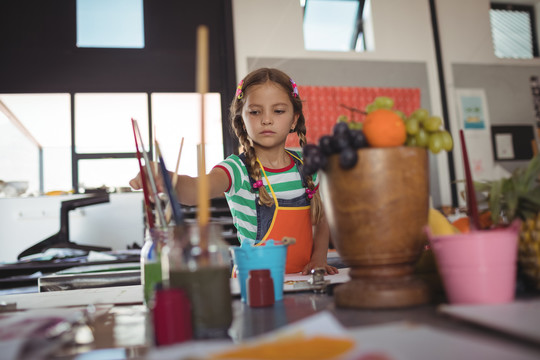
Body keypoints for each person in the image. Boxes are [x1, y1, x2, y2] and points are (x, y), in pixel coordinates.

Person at [130, 68, 337, 275]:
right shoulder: (236, 169)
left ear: (294, 119)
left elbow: (321, 218)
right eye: (255, 112)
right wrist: (167, 179)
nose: (266, 119)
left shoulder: (308, 165)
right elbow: (195, 190)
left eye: (278, 111)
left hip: (303, 283)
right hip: (253, 285)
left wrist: (319, 258)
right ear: (242, 120)